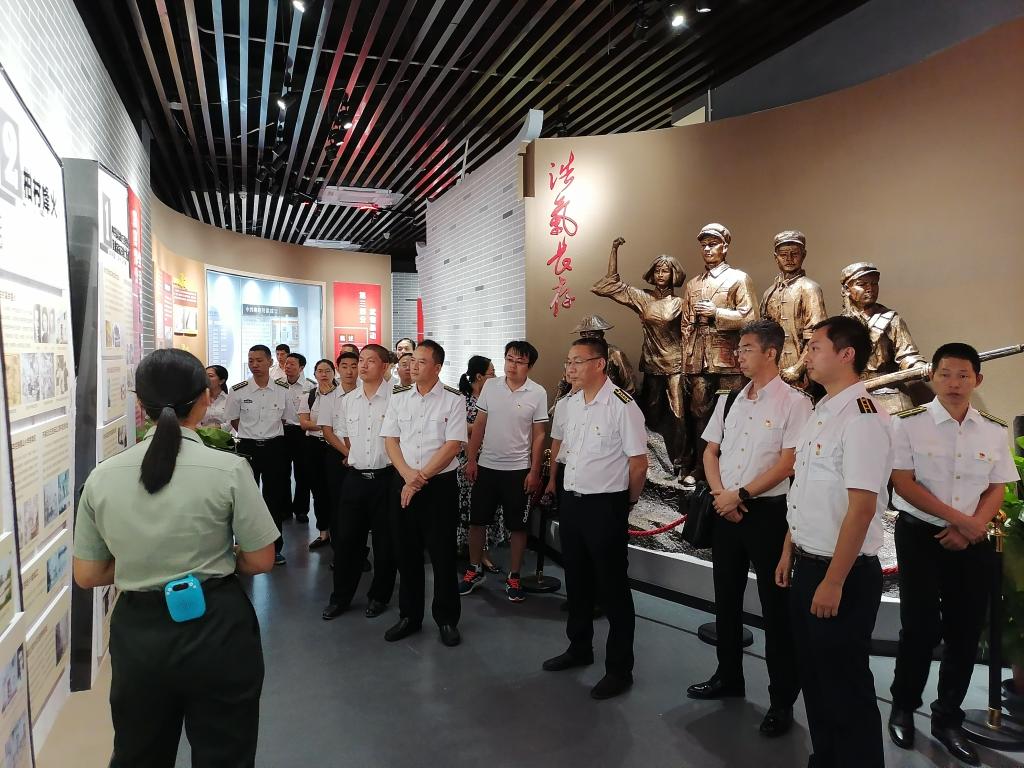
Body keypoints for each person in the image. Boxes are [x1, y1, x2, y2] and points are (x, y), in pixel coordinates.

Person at [72, 348, 279, 767]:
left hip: (140, 634)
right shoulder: (229, 470)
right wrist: (219, 557)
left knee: (139, 753)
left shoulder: (102, 477)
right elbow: (260, 560)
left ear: (140, 403)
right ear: (204, 398)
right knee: (226, 753)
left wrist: (145, 561)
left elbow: (88, 574)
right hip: (218, 626)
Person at [886, 343, 1018, 765]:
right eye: (945, 374)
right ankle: (903, 706)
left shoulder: (992, 430)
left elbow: (997, 486)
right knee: (919, 627)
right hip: (921, 536)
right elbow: (903, 484)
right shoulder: (908, 423)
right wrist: (960, 521)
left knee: (965, 630)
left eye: (963, 375)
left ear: (977, 379)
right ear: (932, 376)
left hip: (972, 540)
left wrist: (971, 526)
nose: (954, 383)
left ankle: (947, 718)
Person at [774, 315, 892, 768]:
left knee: (845, 686)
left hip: (841, 574)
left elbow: (861, 508)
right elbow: (805, 490)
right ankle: (826, 758)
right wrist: (789, 549)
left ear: (846, 354)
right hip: (809, 564)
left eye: (815, 347)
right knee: (815, 677)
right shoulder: (822, 410)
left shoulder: (863, 418)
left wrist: (834, 581)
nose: (806, 355)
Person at [686, 319, 811, 738]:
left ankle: (781, 699)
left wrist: (740, 494)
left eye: (747, 348)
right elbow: (711, 452)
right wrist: (722, 495)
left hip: (768, 515)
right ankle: (728, 676)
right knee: (726, 598)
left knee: (776, 610)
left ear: (771, 353)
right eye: (739, 348)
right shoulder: (729, 399)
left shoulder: (795, 403)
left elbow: (788, 463)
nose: (738, 355)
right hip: (726, 509)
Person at [542, 336, 647, 700]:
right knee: (577, 580)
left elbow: (638, 464)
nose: (570, 368)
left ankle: (619, 669)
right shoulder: (568, 404)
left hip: (606, 505)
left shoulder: (622, 406)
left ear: (599, 364)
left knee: (613, 589)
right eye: (568, 362)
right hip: (572, 503)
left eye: (577, 361)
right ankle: (579, 647)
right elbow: (562, 449)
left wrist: (625, 504)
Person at [380, 339, 467, 647]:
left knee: (443, 555)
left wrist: (418, 480)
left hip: (438, 486)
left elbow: (452, 445)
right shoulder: (399, 397)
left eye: (421, 361)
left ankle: (446, 618)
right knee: (406, 553)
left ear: (437, 367)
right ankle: (410, 616)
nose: (413, 366)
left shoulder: (453, 400)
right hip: (403, 482)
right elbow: (390, 439)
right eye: (411, 360)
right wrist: (407, 476)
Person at [460, 341, 548, 602]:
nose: (512, 365)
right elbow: (479, 425)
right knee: (477, 521)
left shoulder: (537, 392)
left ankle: (514, 576)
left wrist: (534, 471)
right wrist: (472, 459)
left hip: (518, 470)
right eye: (509, 359)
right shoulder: (491, 387)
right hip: (487, 466)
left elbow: (539, 435)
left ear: (529, 366)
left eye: (519, 361)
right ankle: (474, 569)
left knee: (518, 527)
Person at [592, 237, 685, 473]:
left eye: (666, 270)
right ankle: (652, 460)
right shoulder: (643, 298)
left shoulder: (681, 303)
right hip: (652, 364)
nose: (661, 274)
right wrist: (614, 250)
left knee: (678, 413)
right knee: (649, 410)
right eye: (658, 270)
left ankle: (681, 461)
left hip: (676, 364)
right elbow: (611, 285)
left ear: (674, 274)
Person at [321, 344, 399, 620]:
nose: (363, 366)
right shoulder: (348, 400)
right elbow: (346, 436)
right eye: (361, 360)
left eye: (370, 361)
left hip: (386, 479)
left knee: (385, 543)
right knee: (347, 541)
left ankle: (379, 596)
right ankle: (340, 597)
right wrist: (355, 456)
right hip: (355, 479)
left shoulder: (397, 399)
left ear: (385, 366)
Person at [681, 223, 758, 479]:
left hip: (730, 360)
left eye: (713, 244)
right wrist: (687, 363)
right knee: (699, 413)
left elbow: (750, 318)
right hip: (699, 360)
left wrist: (717, 313)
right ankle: (702, 468)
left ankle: (730, 467)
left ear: (724, 247)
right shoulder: (693, 284)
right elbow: (686, 326)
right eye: (704, 245)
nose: (707, 249)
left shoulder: (738, 278)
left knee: (732, 413)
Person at [226, 344, 297, 565]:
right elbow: (234, 420)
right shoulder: (238, 390)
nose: (254, 365)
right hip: (247, 448)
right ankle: (243, 547)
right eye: (251, 360)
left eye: (259, 360)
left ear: (270, 362)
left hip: (275, 447)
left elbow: (286, 418)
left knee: (274, 499)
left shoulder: (282, 389)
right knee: (245, 499)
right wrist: (251, 434)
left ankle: (275, 548)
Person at [840, 262, 928, 414]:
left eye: (874, 283)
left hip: (888, 390)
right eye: (862, 284)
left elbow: (907, 355)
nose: (870, 288)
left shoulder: (891, 319)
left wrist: (920, 367)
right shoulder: (839, 325)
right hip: (852, 393)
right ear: (847, 289)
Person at [759, 231, 827, 386]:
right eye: (783, 254)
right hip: (773, 371)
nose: (789, 259)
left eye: (794, 254)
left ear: (803, 255)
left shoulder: (810, 289)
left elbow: (818, 335)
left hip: (802, 374)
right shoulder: (769, 293)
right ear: (775, 257)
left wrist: (797, 368)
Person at [456, 356, 504, 569]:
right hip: (466, 459)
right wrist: (478, 427)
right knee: (468, 507)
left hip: (490, 459)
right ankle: (467, 549)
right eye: (492, 373)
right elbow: (457, 427)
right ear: (479, 376)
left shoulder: (494, 399)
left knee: (486, 509)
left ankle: (482, 552)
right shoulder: (462, 399)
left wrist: (475, 427)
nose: (496, 376)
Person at [297, 359, 337, 550]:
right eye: (320, 371)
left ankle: (339, 533)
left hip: (335, 446)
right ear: (314, 374)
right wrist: (326, 424)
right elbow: (304, 423)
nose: (324, 374)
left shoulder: (342, 395)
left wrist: (321, 424)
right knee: (318, 490)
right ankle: (323, 532)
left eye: (327, 371)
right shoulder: (309, 396)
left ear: (334, 373)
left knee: (336, 491)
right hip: (313, 446)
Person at [283, 353, 316, 523]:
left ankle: (301, 509)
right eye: (286, 364)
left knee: (303, 473)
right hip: (282, 431)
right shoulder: (277, 384)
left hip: (303, 432)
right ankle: (284, 509)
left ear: (301, 367)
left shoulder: (310, 386)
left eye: (292, 364)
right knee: (282, 472)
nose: (287, 367)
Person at [201, 365, 231, 430]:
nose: (206, 379)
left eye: (210, 376)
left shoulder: (229, 399)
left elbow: (230, 424)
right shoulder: (199, 399)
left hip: (224, 435)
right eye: (204, 376)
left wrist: (216, 427)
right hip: (201, 434)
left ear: (221, 381)